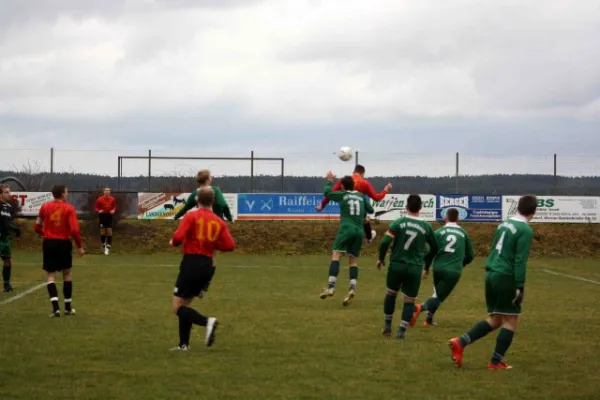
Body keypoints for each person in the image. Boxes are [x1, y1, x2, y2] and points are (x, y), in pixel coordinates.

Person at [448, 195, 537, 370]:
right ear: (534, 211)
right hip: (505, 276)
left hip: (491, 273)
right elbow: (520, 260)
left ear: (517, 207)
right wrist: (520, 285)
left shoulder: (503, 224)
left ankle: (460, 342)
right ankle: (496, 362)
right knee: (511, 320)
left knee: (496, 319)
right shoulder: (525, 230)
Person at [169, 187, 235, 351]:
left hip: (191, 263)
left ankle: (208, 322)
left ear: (197, 200)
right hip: (207, 266)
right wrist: (212, 244)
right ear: (213, 201)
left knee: (178, 307)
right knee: (185, 304)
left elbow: (178, 237)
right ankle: (184, 345)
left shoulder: (191, 215)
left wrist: (174, 242)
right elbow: (230, 245)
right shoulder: (219, 221)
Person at [377, 194, 438, 339]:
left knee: (391, 294)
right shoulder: (426, 226)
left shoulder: (398, 223)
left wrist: (381, 258)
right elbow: (435, 247)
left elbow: (385, 242)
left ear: (406, 207)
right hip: (415, 267)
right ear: (421, 208)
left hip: (397, 265)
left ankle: (387, 327)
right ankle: (401, 331)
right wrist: (425, 262)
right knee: (409, 300)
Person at [411, 208, 475, 326]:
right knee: (439, 297)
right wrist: (461, 263)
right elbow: (471, 255)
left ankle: (428, 320)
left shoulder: (439, 232)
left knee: (437, 293)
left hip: (438, 268)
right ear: (458, 219)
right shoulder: (463, 233)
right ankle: (418, 308)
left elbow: (430, 252)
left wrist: (426, 268)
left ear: (445, 218)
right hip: (453, 270)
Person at [174, 169, 233, 298]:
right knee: (210, 258)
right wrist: (229, 217)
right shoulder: (215, 190)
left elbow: (186, 207)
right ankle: (203, 285)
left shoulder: (196, 193)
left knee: (194, 254)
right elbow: (223, 205)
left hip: (199, 226)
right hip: (214, 226)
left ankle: (192, 283)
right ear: (208, 179)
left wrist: (176, 216)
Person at [319, 171, 374, 307]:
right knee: (353, 261)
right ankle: (351, 289)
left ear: (342, 186)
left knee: (336, 254)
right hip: (358, 231)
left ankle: (331, 287)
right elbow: (371, 210)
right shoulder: (361, 196)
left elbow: (327, 193)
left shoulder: (343, 195)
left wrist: (329, 181)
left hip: (346, 229)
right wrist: (365, 214)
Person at [34, 185, 85, 317]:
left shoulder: (45, 207)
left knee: (50, 275)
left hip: (49, 243)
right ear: (63, 194)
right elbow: (74, 230)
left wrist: (45, 233)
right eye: (66, 192)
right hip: (63, 243)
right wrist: (79, 246)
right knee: (67, 274)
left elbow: (37, 225)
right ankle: (67, 308)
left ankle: (55, 309)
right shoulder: (69, 208)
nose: (67, 194)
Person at [316, 164, 391, 244]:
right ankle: (368, 237)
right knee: (364, 218)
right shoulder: (365, 183)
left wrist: (322, 205)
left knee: (351, 225)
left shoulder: (344, 180)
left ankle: (346, 242)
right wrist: (385, 190)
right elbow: (377, 197)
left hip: (346, 212)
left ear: (353, 172)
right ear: (362, 174)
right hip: (358, 213)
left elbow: (331, 193)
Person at [0, 184, 21, 292]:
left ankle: (7, 285)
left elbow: (8, 222)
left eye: (9, 192)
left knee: (8, 261)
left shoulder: (8, 207)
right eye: (6, 192)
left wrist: (15, 229)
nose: (9, 194)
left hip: (5, 238)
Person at [94, 187, 116, 255]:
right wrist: (99, 210)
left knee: (109, 231)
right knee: (102, 231)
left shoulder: (112, 199)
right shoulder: (99, 199)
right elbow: (95, 207)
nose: (107, 192)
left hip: (109, 216)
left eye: (108, 191)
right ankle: (104, 245)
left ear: (110, 192)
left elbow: (114, 207)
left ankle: (108, 246)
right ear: (103, 192)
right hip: (102, 216)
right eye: (106, 191)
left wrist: (113, 210)